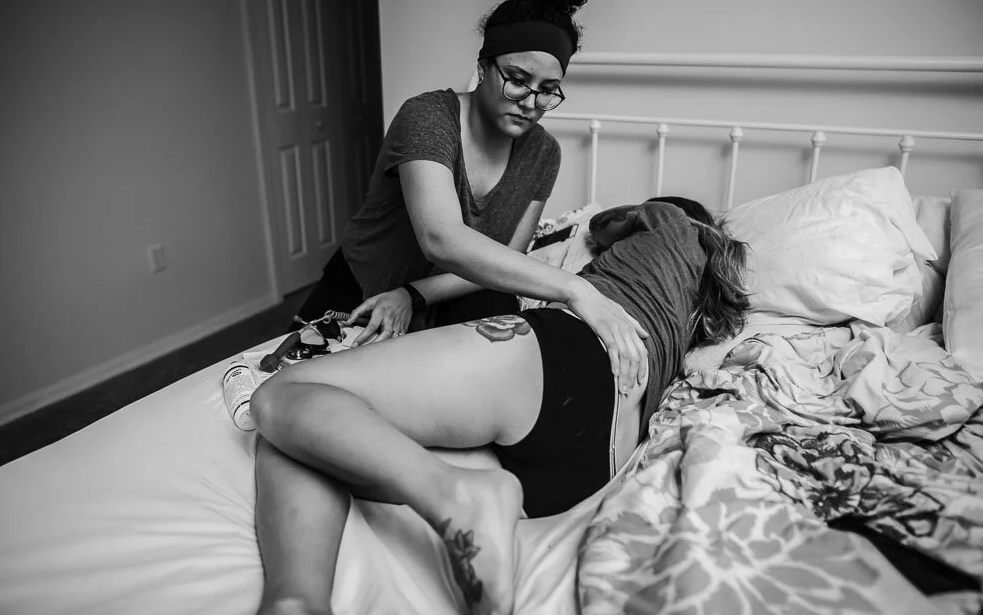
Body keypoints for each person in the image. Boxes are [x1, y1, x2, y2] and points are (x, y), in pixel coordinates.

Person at [251, 196, 751, 615]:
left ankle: (444, 504)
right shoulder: (690, 308)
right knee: (312, 440)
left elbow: (601, 226)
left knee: (283, 395)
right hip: (600, 458)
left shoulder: (670, 218)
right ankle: (295, 604)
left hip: (572, 356)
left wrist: (636, 215)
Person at [291, 0, 647, 396]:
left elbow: (506, 256)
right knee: (294, 393)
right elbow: (441, 238)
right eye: (516, 79)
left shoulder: (543, 153)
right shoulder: (427, 118)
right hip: (365, 289)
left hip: (449, 295)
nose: (530, 102)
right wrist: (576, 290)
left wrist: (415, 295)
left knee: (504, 349)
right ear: (482, 67)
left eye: (547, 91)